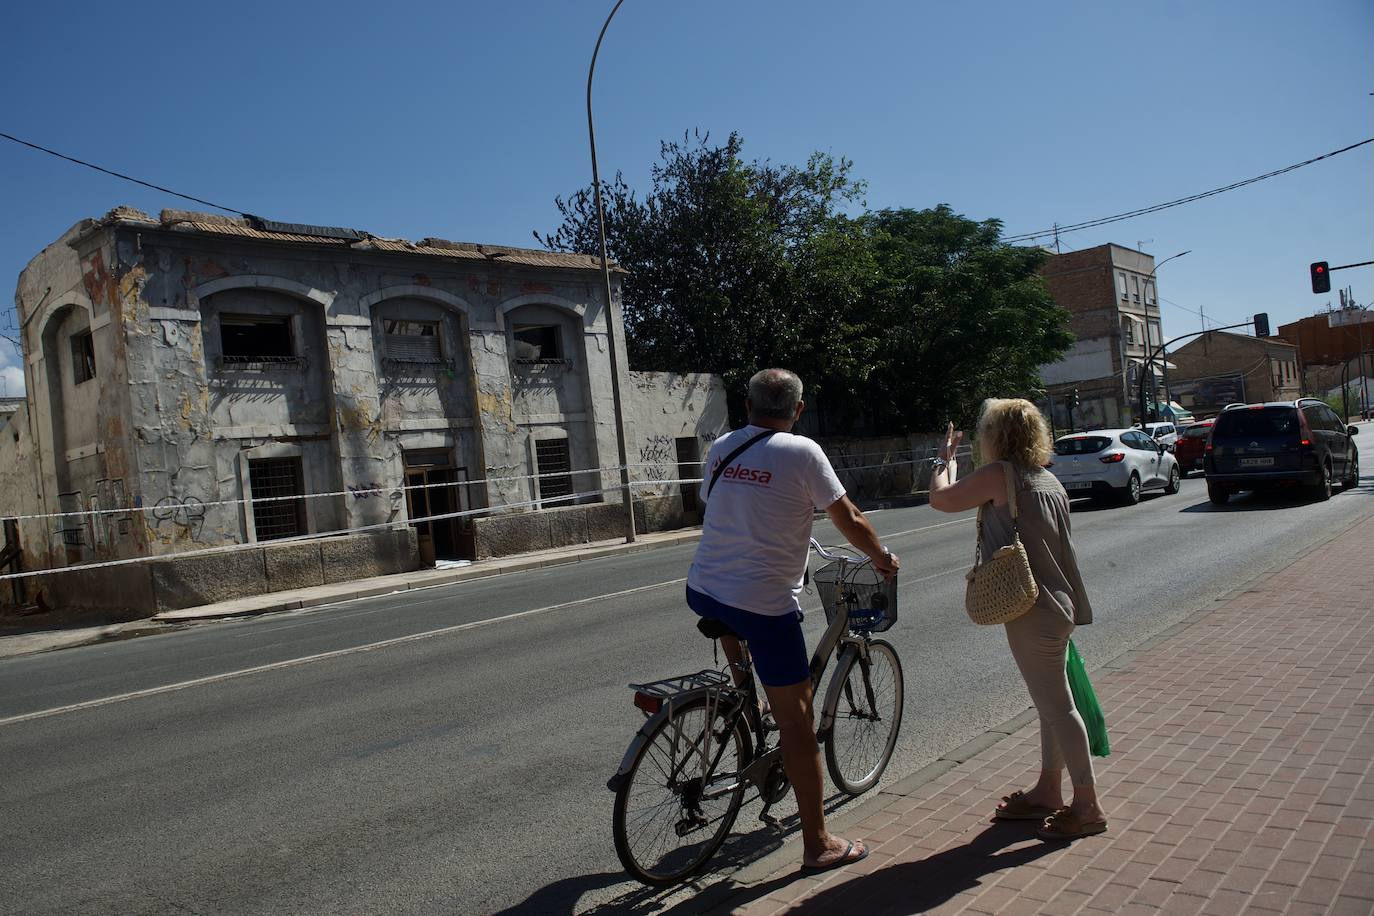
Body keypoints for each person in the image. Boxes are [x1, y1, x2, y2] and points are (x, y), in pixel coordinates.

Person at [686, 368, 900, 873]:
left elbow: (714, 502)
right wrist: (883, 559)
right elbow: (848, 517)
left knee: (734, 617)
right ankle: (818, 844)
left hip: (703, 589)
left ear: (747, 405)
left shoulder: (723, 446)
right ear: (798, 410)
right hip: (763, 605)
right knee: (799, 726)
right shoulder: (803, 451)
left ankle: (746, 696)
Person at [927, 398, 1107, 841]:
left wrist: (943, 460)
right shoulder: (1047, 479)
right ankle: (1048, 790)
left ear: (996, 435)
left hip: (1032, 610)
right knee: (1051, 703)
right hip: (1057, 604)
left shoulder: (1000, 475)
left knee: (1059, 708)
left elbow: (940, 499)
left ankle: (1088, 806)